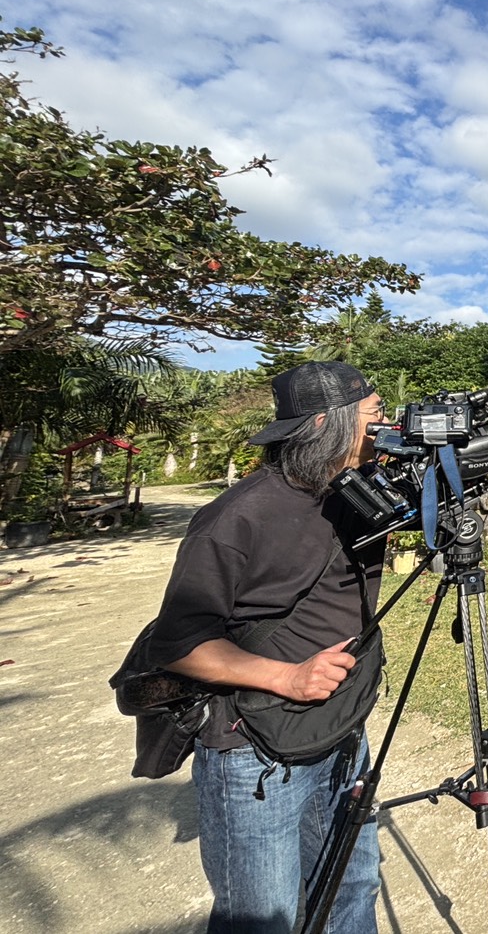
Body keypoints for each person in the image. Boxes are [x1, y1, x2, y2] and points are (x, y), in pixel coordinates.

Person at [148, 360, 390, 933]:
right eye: (375, 414)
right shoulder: (237, 516)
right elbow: (177, 644)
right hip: (254, 750)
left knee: (352, 887)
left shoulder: (354, 492)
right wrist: (286, 677)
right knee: (263, 917)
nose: (387, 426)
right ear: (327, 423)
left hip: (340, 726)